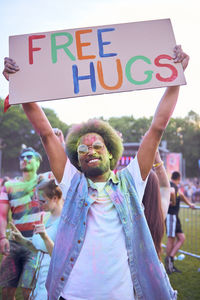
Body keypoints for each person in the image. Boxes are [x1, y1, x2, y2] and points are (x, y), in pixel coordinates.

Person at [3, 45, 189, 300]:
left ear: (111, 153)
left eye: (97, 146)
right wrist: (21, 86)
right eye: (82, 148)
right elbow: (46, 133)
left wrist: (175, 80)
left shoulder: (131, 181)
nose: (89, 150)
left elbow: (157, 127)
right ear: (77, 159)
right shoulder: (72, 182)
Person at [0, 147, 44, 300]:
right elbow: (2, 214)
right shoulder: (9, 186)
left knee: (29, 292)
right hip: (14, 244)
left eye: (29, 157)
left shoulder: (44, 181)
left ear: (38, 162)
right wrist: (2, 238)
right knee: (6, 291)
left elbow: (64, 168)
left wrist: (61, 143)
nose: (24, 159)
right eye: (22, 157)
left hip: (36, 245)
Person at [9, 179, 63, 300]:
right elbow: (38, 247)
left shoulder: (64, 222)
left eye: (43, 201)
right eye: (37, 200)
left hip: (52, 283)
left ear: (55, 198)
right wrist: (21, 239)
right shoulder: (45, 217)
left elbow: (59, 257)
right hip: (38, 282)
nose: (39, 204)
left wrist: (45, 237)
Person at [165, 171, 195, 274]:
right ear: (179, 177)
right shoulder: (172, 185)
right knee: (171, 239)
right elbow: (172, 192)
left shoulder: (175, 186)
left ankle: (170, 259)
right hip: (171, 216)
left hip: (174, 217)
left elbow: (181, 195)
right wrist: (173, 201)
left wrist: (190, 204)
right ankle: (169, 264)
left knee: (181, 238)